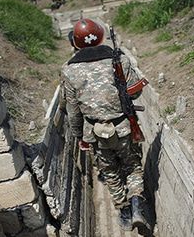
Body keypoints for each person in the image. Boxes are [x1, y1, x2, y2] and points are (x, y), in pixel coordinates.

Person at [61, 18, 149, 232]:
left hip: (95, 132)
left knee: (109, 171)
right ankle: (137, 203)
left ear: (76, 43)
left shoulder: (69, 70)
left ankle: (125, 213)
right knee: (132, 166)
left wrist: (79, 136)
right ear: (100, 36)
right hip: (123, 127)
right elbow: (136, 91)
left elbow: (73, 110)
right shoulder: (118, 59)